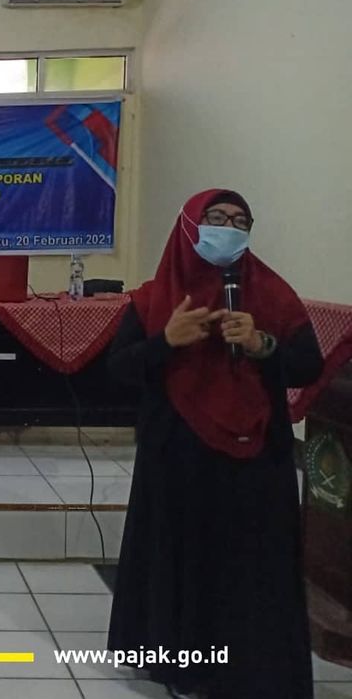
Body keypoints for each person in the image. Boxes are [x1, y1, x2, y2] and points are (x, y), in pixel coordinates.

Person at [107, 188, 323, 698]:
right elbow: (116, 370)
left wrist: (261, 344)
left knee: (253, 564)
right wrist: (166, 341)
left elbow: (308, 366)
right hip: (177, 454)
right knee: (186, 560)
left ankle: (252, 671)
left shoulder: (272, 293)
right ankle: (186, 669)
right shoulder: (153, 299)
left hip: (258, 454)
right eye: (217, 218)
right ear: (189, 226)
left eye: (240, 221)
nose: (228, 229)